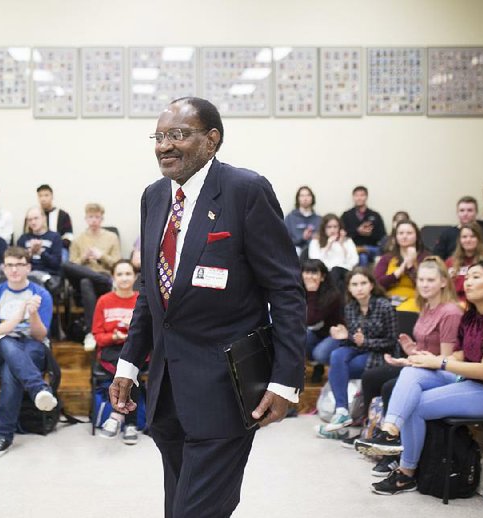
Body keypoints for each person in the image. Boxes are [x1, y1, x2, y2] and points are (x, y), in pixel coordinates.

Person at [110, 97, 305, 518]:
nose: (165, 145)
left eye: (178, 134)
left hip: (226, 389)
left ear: (211, 140)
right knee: (179, 505)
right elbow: (151, 289)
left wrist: (285, 381)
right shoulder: (154, 196)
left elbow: (286, 290)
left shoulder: (245, 190)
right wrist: (128, 364)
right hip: (167, 391)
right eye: (159, 136)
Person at [358, 261, 483, 495]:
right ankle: (389, 431)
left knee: (416, 405)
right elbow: (461, 353)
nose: (468, 282)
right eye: (466, 277)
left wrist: (440, 362)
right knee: (412, 371)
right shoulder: (471, 316)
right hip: (468, 381)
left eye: (476, 277)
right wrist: (431, 358)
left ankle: (406, 474)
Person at [358, 257, 462, 475]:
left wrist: (413, 360)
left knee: (389, 387)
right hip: (422, 365)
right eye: (421, 279)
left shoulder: (450, 312)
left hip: (444, 371)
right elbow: (424, 353)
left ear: (443, 282)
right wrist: (410, 353)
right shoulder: (426, 306)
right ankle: (371, 432)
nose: (424, 284)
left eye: (430, 280)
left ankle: (393, 450)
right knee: (371, 376)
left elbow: (445, 359)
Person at [0, 247, 57, 459]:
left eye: (19, 265)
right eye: (10, 265)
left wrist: (32, 315)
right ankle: (39, 387)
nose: (14, 270)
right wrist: (19, 314)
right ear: (4, 268)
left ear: (28, 267)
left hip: (31, 345)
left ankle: (3, 436)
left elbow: (40, 336)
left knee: (10, 370)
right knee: (5, 342)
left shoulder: (41, 294)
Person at [319, 266, 397, 436]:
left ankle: (343, 412)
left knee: (337, 368)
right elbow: (353, 341)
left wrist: (363, 341)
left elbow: (391, 342)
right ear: (349, 288)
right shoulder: (350, 307)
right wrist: (344, 336)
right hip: (358, 349)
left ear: (371, 285)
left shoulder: (384, 306)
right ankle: (342, 410)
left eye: (363, 283)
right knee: (336, 354)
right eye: (354, 284)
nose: (359, 288)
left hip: (378, 353)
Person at [92, 260, 141, 444]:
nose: (124, 278)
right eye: (119, 274)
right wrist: (115, 336)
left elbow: (149, 332)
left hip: (138, 348)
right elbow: (98, 336)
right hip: (112, 350)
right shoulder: (104, 301)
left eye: (128, 274)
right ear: (113, 277)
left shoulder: (141, 299)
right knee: (128, 369)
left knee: (132, 365)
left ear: (135, 277)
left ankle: (116, 415)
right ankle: (130, 424)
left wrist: (130, 333)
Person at [61, 203, 121, 335]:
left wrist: (102, 256)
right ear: (86, 219)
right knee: (65, 265)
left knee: (86, 282)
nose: (94, 220)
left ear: (102, 219)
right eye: (90, 217)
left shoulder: (112, 237)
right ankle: (101, 280)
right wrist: (83, 258)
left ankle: (91, 331)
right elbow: (72, 265)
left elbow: (118, 264)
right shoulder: (78, 240)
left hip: (103, 277)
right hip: (83, 276)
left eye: (97, 217)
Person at [302, 259, 344, 382]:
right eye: (306, 272)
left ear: (323, 277)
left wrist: (311, 293)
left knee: (319, 354)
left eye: (314, 273)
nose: (309, 277)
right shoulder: (298, 290)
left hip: (334, 333)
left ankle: (333, 369)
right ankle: (317, 367)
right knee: (299, 338)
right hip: (314, 332)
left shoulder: (333, 295)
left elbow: (311, 320)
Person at [373, 220, 428, 312]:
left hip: (415, 299)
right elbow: (376, 284)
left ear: (417, 236)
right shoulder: (387, 258)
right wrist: (397, 273)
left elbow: (428, 285)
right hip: (389, 299)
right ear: (396, 237)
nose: (404, 236)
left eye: (409, 233)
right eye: (401, 233)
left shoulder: (426, 258)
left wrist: (411, 266)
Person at [445, 222, 483, 303]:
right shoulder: (450, 262)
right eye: (464, 237)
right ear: (459, 240)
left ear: (479, 239)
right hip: (452, 305)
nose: (468, 240)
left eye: (473, 236)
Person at [16, 206, 63, 293]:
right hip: (27, 274)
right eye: (30, 220)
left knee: (34, 281)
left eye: (36, 218)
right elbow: (18, 263)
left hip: (49, 275)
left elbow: (56, 264)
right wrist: (30, 253)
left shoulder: (55, 237)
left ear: (44, 218)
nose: (33, 222)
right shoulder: (23, 239)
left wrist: (41, 252)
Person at [307, 213, 359, 286]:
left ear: (340, 228)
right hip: (325, 272)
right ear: (324, 228)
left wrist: (342, 245)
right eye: (329, 227)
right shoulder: (316, 241)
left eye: (335, 227)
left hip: (345, 271)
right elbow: (315, 261)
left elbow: (354, 261)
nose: (333, 230)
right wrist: (328, 245)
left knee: (336, 270)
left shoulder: (347, 241)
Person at [341, 186, 387, 266]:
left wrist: (370, 233)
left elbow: (382, 235)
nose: (359, 198)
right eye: (356, 195)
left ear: (366, 197)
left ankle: (364, 249)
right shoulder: (346, 215)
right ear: (353, 197)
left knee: (382, 252)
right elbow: (342, 234)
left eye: (362, 195)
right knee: (362, 257)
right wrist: (358, 231)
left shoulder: (375, 215)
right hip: (353, 248)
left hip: (371, 248)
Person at [285, 185, 322, 255]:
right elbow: (285, 240)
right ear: (298, 199)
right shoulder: (290, 218)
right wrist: (302, 238)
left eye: (308, 195)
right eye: (302, 195)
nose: (305, 198)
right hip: (296, 250)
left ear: (312, 198)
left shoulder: (319, 219)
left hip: (315, 251)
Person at [37, 184, 74, 250]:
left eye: (46, 195)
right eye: (40, 196)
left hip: (59, 249)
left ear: (52, 196)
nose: (43, 199)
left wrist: (57, 245)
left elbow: (69, 236)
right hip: (38, 249)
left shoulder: (63, 215)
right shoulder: (34, 215)